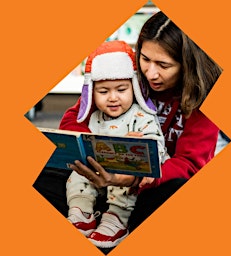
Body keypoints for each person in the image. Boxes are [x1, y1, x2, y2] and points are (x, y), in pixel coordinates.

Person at [33, 11, 222, 251]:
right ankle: (92, 217)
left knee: (177, 192)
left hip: (151, 187)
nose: (151, 73)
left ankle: (114, 221)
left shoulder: (205, 98)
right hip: (96, 177)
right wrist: (97, 151)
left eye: (164, 65)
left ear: (187, 65)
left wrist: (134, 177)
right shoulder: (128, 76)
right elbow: (76, 117)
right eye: (145, 59)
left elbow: (189, 165)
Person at [65, 40, 169, 248]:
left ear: (134, 88)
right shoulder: (95, 118)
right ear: (92, 93)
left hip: (131, 180)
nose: (113, 98)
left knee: (125, 172)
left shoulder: (141, 116)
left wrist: (139, 148)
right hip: (100, 175)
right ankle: (81, 210)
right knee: (76, 171)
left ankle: (116, 218)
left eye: (121, 90)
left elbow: (157, 147)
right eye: (103, 92)